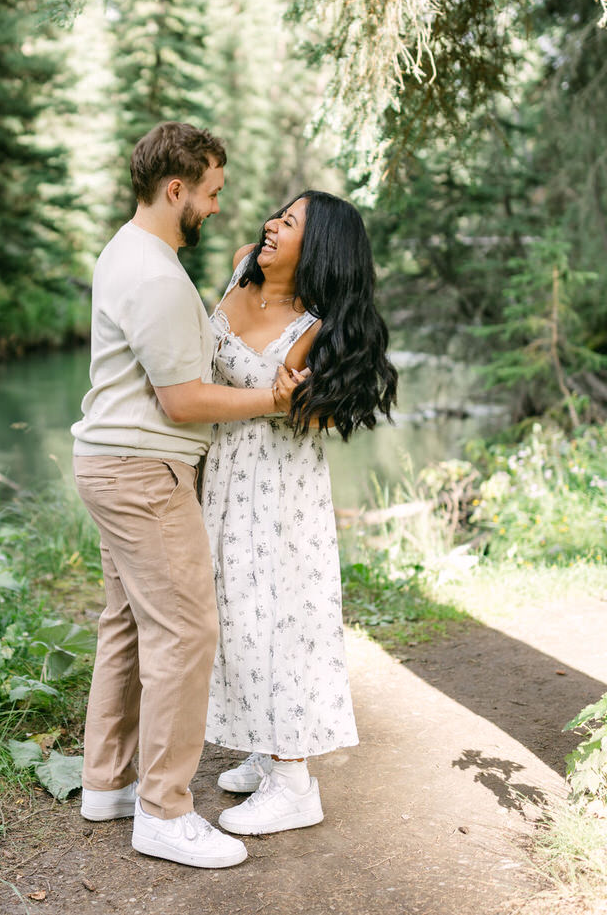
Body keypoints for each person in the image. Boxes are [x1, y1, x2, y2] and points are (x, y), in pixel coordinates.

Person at [71, 122, 304, 869]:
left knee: (128, 626)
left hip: (109, 461)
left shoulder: (126, 250)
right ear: (176, 189)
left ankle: (108, 783)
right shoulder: (160, 275)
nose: (214, 206)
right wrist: (272, 400)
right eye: (209, 193)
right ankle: (164, 810)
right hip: (144, 472)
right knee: (185, 631)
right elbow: (182, 399)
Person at [201, 190, 398, 836]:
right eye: (278, 215)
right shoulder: (238, 267)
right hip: (225, 474)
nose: (270, 226)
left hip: (277, 489)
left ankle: (295, 782)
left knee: (274, 617)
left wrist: (298, 394)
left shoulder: (316, 326)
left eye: (289, 224)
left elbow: (309, 413)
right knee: (234, 613)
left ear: (317, 249)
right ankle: (267, 744)